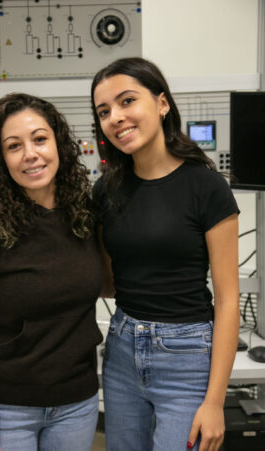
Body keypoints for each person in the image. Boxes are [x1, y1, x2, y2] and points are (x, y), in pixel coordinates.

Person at [91, 57, 240, 451]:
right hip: (122, 346)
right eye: (104, 111)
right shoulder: (106, 190)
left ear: (161, 104)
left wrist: (215, 401)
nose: (115, 117)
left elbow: (227, 300)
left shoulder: (207, 188)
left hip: (187, 356)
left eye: (126, 101)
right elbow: (108, 281)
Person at [0, 93, 103, 451]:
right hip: (7, 410)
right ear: (1, 160)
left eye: (40, 139)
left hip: (76, 404)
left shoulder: (84, 216)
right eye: (14, 146)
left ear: (58, 143)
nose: (31, 154)